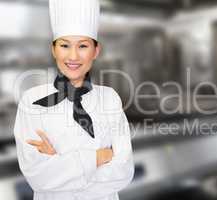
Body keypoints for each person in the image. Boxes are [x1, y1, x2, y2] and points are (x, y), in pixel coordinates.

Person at [13, 0, 134, 199]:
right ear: (53, 50)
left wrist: (60, 166)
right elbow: (38, 178)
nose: (73, 56)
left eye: (83, 46)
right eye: (64, 45)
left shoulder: (110, 99)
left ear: (96, 51)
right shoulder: (31, 101)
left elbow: (123, 171)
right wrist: (97, 157)